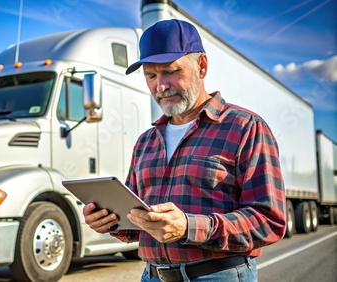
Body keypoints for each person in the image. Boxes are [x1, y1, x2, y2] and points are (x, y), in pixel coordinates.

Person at [83, 19, 286, 282]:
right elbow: (137, 222)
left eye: (170, 71)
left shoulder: (245, 127)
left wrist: (189, 227)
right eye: (151, 76)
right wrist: (110, 221)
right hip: (152, 275)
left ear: (201, 66)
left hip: (218, 276)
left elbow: (269, 221)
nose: (161, 86)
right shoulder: (146, 141)